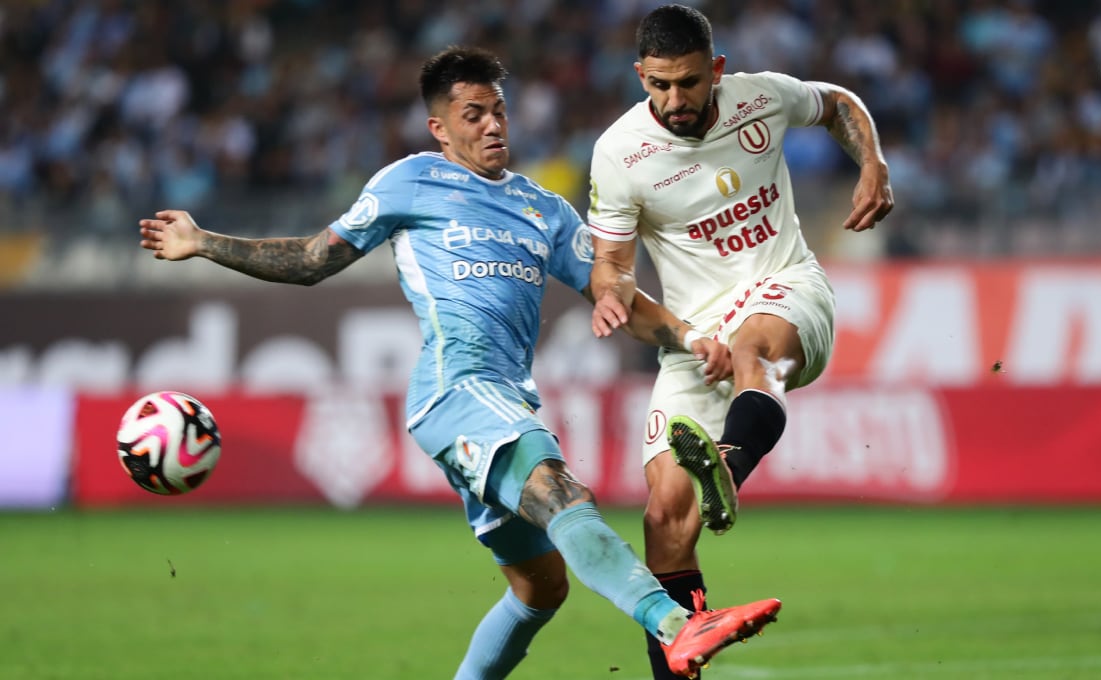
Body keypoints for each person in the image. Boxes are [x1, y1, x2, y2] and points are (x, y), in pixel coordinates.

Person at [138, 46, 780, 679]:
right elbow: (313, 260)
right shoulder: (408, 182)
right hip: (456, 389)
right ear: (439, 128)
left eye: (498, 110)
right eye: (473, 114)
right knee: (564, 494)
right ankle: (676, 624)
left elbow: (615, 294)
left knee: (539, 590)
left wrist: (689, 337)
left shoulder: (544, 210)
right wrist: (203, 242)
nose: (493, 124)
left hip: (504, 397)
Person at [587, 6, 894, 678]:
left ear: (716, 70)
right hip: (693, 336)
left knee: (755, 347)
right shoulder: (619, 153)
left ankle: (726, 462)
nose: (676, 99)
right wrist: (613, 296)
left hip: (786, 288)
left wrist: (871, 160)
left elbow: (838, 102)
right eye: (660, 85)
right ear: (640, 75)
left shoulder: (761, 97)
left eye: (690, 83)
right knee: (665, 517)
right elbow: (611, 268)